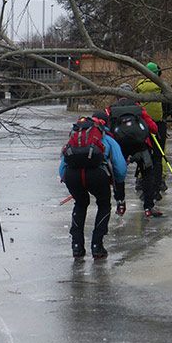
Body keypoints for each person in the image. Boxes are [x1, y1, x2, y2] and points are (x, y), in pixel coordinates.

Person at [59, 111, 127, 260]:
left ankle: (77, 247)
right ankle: (97, 246)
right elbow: (121, 168)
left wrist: (67, 179)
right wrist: (117, 181)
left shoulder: (75, 136)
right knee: (103, 205)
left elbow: (62, 167)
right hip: (98, 175)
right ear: (106, 123)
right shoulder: (107, 138)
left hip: (73, 175)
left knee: (80, 204)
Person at [107, 84, 161, 217]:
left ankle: (120, 204)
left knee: (119, 175)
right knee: (147, 174)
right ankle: (148, 207)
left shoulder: (111, 109)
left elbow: (107, 130)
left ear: (117, 95)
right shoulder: (138, 108)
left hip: (120, 147)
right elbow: (153, 128)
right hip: (140, 146)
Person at [135, 62, 172, 192]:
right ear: (158, 73)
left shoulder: (139, 86)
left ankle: (140, 180)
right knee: (159, 155)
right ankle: (159, 182)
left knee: (142, 152)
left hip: (142, 126)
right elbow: (171, 106)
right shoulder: (162, 86)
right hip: (159, 125)